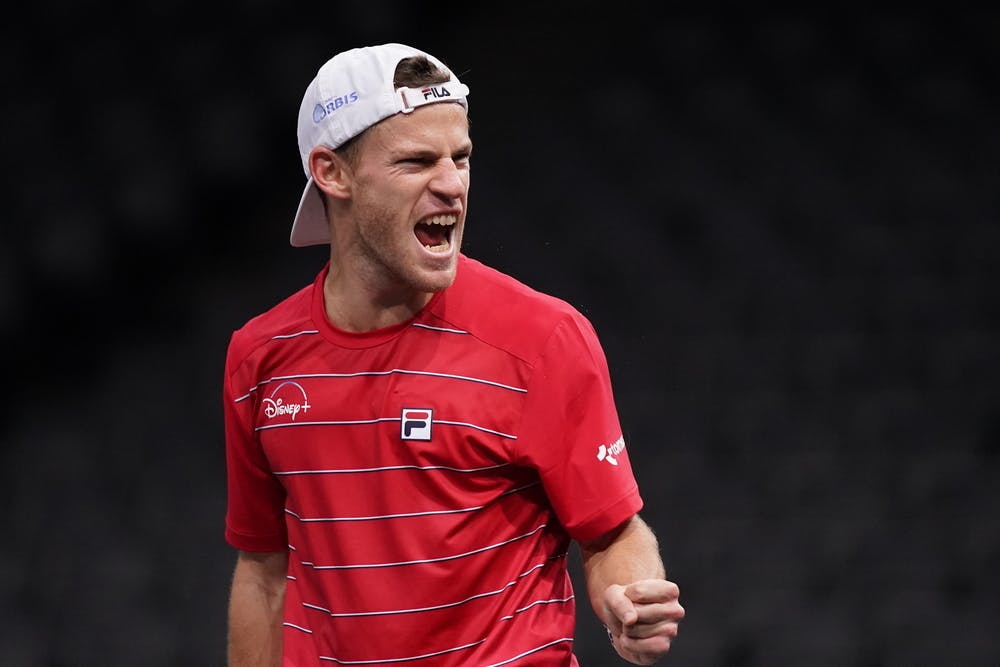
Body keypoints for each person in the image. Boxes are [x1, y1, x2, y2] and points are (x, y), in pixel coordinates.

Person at [222, 42, 684, 666]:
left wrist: (629, 598)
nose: (452, 186)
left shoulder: (544, 338)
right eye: (417, 162)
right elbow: (263, 572)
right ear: (332, 173)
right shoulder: (259, 357)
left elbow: (613, 533)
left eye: (460, 159)